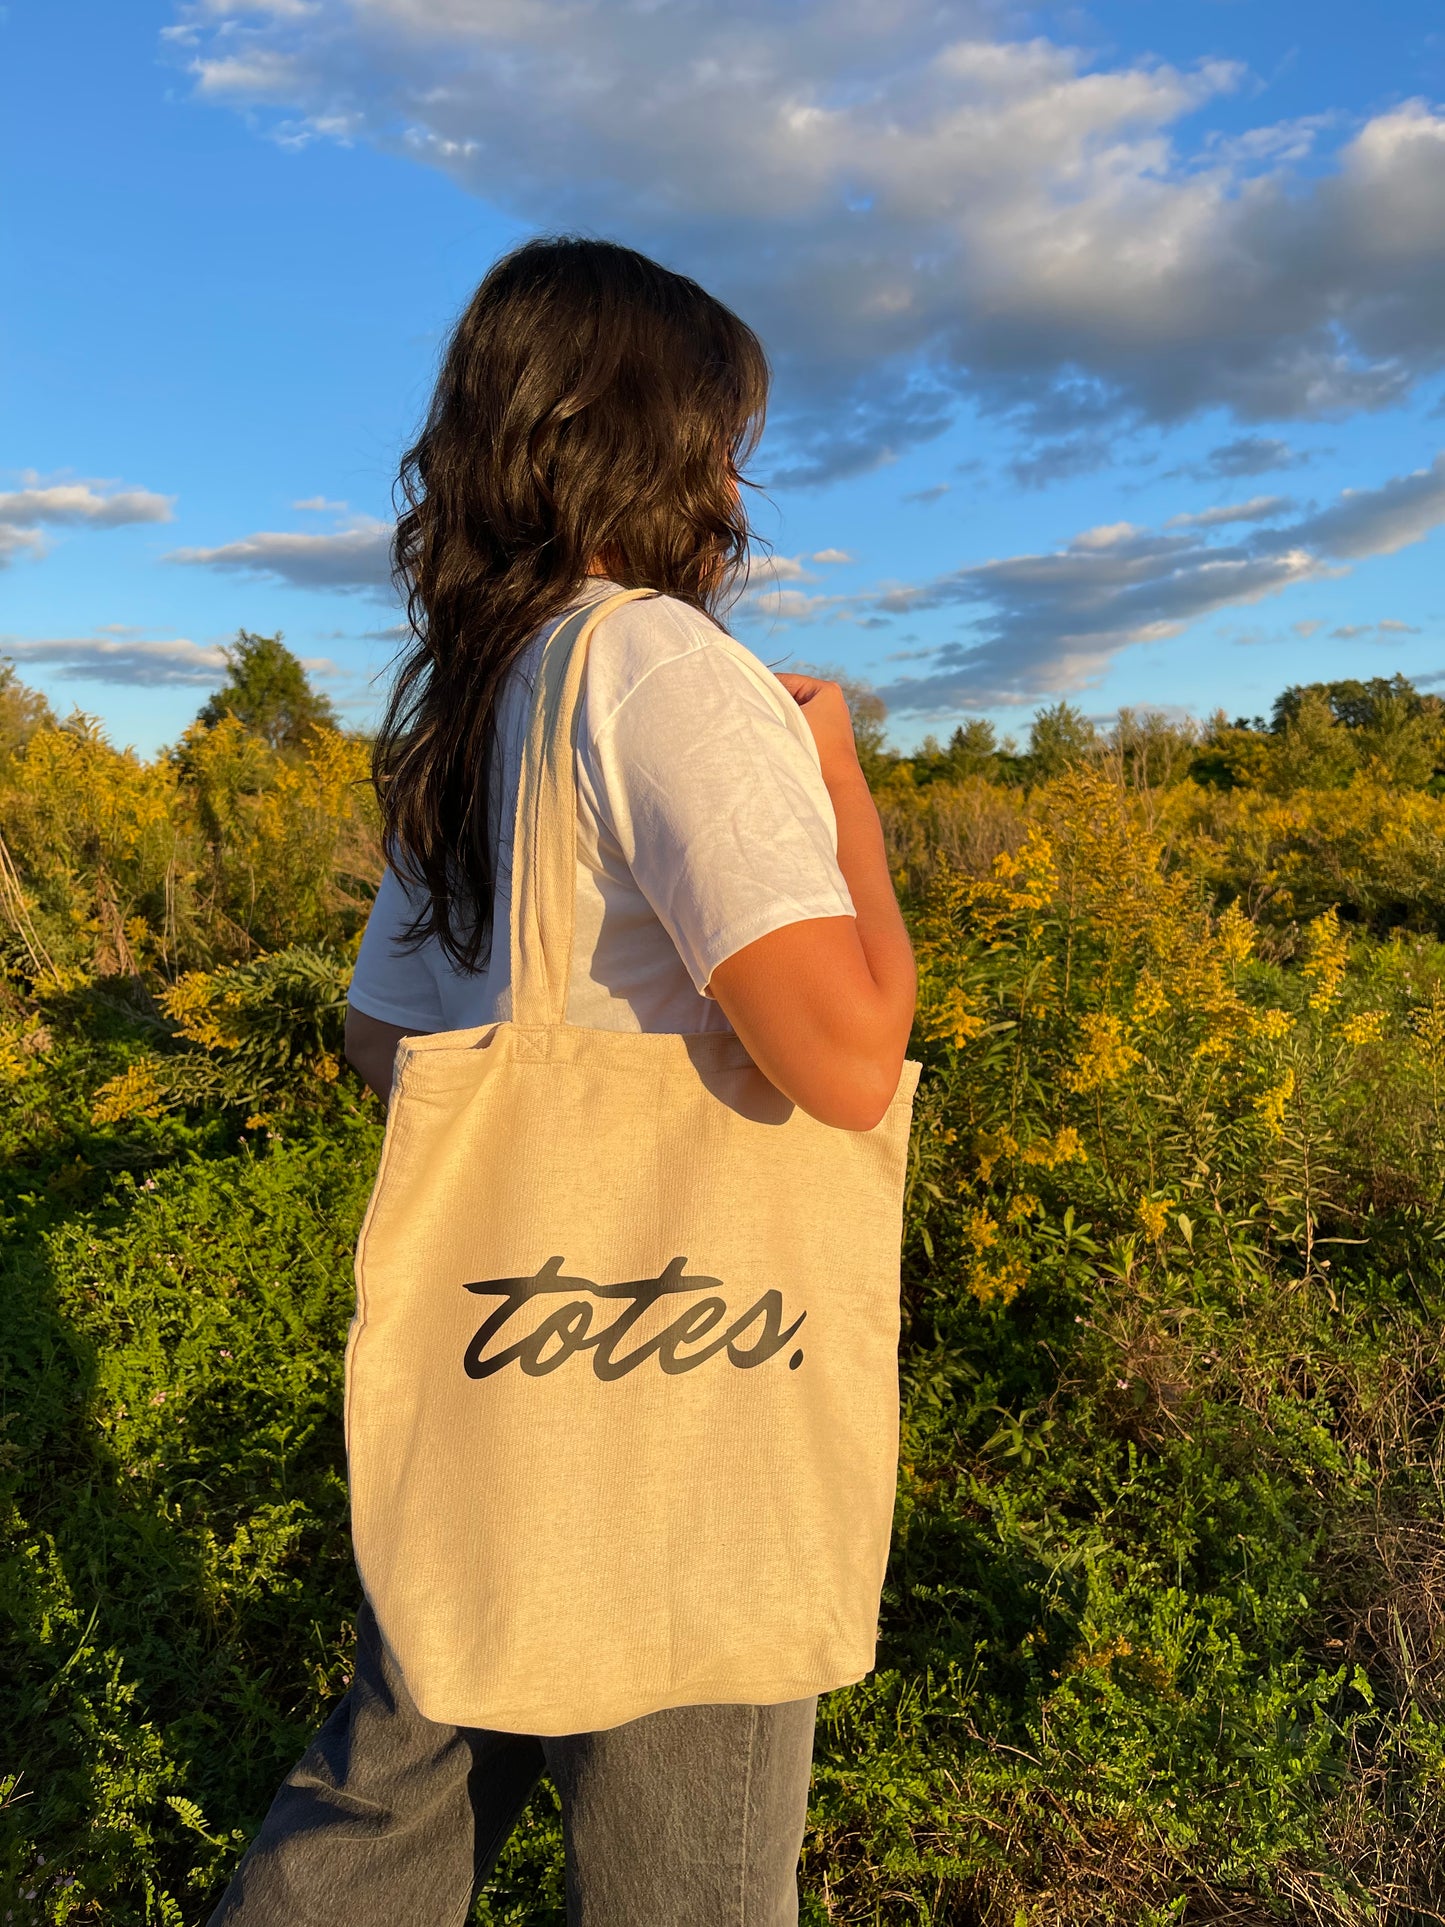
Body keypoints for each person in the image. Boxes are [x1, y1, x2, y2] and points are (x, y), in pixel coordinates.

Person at [209, 235, 916, 1926]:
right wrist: (843, 793)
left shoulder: (479, 690)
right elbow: (842, 1056)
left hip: (503, 1361)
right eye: (724, 431)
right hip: (688, 1376)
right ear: (650, 436)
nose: (739, 477)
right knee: (690, 1869)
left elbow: (386, 1045)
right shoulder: (669, 669)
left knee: (389, 1800)